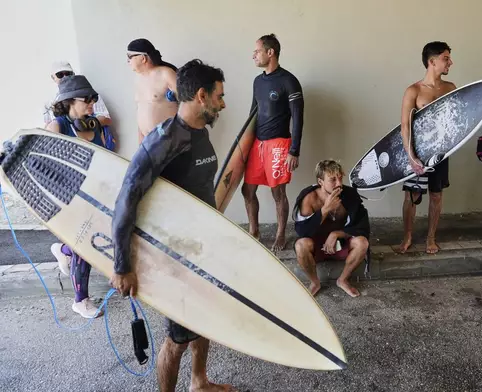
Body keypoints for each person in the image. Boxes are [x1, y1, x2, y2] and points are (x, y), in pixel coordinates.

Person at [109, 59, 238, 392]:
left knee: (204, 319)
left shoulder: (200, 132)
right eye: (219, 96)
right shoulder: (165, 141)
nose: (223, 103)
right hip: (177, 256)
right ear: (201, 96)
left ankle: (199, 381)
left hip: (203, 248)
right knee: (177, 338)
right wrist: (122, 265)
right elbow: (126, 199)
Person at [46, 75, 109, 319]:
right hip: (69, 197)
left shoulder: (95, 126)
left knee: (86, 242)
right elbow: (47, 165)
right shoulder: (58, 126)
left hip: (95, 194)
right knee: (85, 245)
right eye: (87, 99)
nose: (92, 102)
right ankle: (80, 300)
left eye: (94, 98)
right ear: (70, 101)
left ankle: (63, 250)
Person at [242, 33, 304, 252]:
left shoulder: (289, 81)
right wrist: (244, 146)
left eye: (257, 51)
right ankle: (254, 230)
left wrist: (294, 151)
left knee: (278, 193)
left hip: (279, 144)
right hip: (257, 144)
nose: (253, 55)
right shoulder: (258, 81)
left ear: (271, 52)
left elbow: (298, 117)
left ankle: (280, 234)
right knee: (247, 190)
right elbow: (253, 114)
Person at [398, 41, 456, 255]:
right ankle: (407, 236)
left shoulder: (451, 88)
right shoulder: (413, 91)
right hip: (417, 153)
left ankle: (431, 238)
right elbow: (405, 127)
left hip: (440, 153)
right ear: (432, 62)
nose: (450, 62)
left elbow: (456, 122)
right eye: (446, 58)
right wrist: (411, 157)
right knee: (412, 196)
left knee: (436, 195)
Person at [293, 160, 370, 297]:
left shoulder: (349, 195)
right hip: (317, 247)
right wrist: (325, 210)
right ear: (320, 182)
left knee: (362, 242)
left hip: (341, 244)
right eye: (332, 180)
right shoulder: (309, 198)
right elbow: (302, 231)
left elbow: (362, 226)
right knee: (301, 245)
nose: (339, 184)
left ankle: (343, 280)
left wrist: (336, 233)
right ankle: (315, 282)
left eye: (340, 178)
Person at [127, 38, 179, 144]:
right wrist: (141, 139)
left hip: (169, 140)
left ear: (143, 58)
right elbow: (141, 109)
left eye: (130, 57)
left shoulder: (166, 74)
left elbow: (187, 104)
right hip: (147, 142)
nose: (128, 61)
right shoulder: (138, 78)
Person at [44, 61, 112, 129]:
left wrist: (88, 124)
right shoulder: (49, 103)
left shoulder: (91, 95)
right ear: (53, 77)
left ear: (73, 74)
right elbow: (47, 127)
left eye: (68, 73)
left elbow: (107, 118)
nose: (65, 77)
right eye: (60, 74)